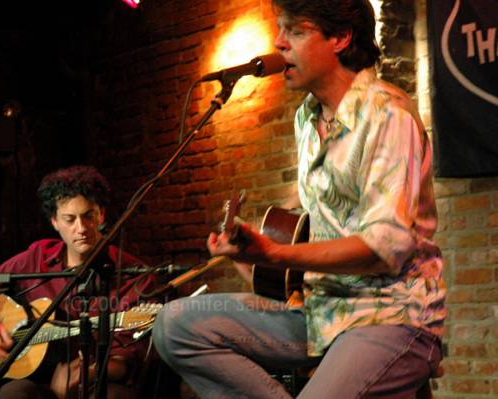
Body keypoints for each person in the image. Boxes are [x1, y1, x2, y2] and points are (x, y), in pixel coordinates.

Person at [152, 0, 446, 398]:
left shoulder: (387, 115)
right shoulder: (306, 119)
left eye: (296, 30)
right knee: (175, 325)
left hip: (390, 316)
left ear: (341, 38)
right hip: (319, 312)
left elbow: (384, 249)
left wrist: (275, 254)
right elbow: (320, 228)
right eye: (279, 29)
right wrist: (249, 254)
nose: (278, 42)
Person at [0, 165, 156, 399]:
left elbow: (129, 362)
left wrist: (87, 373)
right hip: (34, 378)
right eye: (69, 219)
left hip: (96, 380)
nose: (81, 228)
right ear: (54, 222)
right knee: (13, 395)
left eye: (88, 215)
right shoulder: (37, 258)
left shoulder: (134, 275)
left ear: (101, 214)